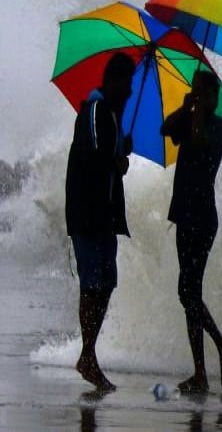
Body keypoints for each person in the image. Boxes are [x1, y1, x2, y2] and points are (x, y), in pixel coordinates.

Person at [64, 51, 136, 391]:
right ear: (115, 81)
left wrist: (123, 150)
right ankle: (88, 357)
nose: (131, 91)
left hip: (105, 214)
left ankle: (88, 355)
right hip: (87, 212)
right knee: (92, 284)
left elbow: (107, 153)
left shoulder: (110, 115)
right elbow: (94, 155)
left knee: (106, 283)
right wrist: (117, 161)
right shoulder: (94, 109)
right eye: (128, 83)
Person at [161, 70, 222, 393]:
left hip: (203, 219)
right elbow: (166, 129)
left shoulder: (219, 126)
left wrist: (198, 114)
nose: (198, 96)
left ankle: (221, 345)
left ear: (212, 98)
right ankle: (201, 372)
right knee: (187, 293)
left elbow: (203, 144)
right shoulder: (188, 117)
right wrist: (184, 106)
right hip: (184, 215)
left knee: (190, 291)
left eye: (202, 93)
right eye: (196, 91)